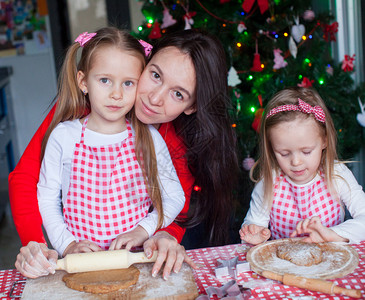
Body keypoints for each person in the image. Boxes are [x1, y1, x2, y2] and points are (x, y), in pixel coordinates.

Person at [10, 29, 238, 279]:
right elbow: (26, 179)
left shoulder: (170, 141)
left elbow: (176, 201)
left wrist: (163, 234)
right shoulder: (79, 110)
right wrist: (38, 246)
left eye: (178, 94)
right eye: (155, 75)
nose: (154, 98)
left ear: (191, 106)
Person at [33, 27, 185, 261]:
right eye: (105, 80)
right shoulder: (64, 137)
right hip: (83, 263)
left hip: (134, 261)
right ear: (83, 82)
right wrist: (67, 245)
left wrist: (142, 230)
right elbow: (46, 197)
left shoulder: (148, 138)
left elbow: (175, 197)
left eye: (128, 83)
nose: (116, 94)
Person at [240, 87, 365, 245]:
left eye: (306, 151)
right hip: (284, 267)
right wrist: (254, 236)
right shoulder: (269, 182)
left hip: (332, 264)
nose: (296, 162)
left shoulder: (336, 173)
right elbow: (254, 225)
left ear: (324, 140)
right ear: (271, 148)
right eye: (284, 153)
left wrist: (332, 234)